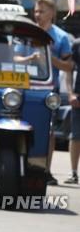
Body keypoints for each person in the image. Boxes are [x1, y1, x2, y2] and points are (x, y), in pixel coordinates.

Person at [33, 0, 73, 185]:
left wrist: (49, 57)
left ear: (52, 13)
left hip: (49, 89)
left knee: (48, 131)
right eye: (36, 11)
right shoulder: (28, 33)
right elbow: (15, 56)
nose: (37, 15)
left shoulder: (61, 37)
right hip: (26, 87)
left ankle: (45, 170)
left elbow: (68, 66)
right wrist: (28, 58)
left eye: (41, 11)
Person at [65, 37, 80, 184]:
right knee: (75, 136)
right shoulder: (76, 44)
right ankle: (74, 173)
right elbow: (68, 69)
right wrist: (70, 93)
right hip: (78, 97)